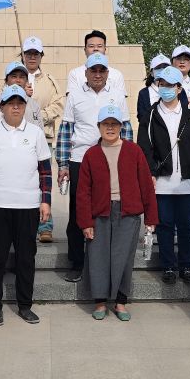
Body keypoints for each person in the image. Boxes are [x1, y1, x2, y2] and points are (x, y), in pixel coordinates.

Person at [0, 85, 52, 326]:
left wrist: (46, 201)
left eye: (20, 103)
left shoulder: (36, 133)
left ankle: (25, 305)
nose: (16, 107)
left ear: (25, 106)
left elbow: (45, 171)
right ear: (2, 107)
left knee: (26, 258)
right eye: (11, 103)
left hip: (28, 206)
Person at [77, 105, 158, 321]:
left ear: (121, 127)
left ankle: (121, 302)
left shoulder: (134, 151)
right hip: (100, 213)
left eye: (114, 124)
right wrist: (86, 222)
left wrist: (151, 218)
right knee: (98, 257)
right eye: (106, 124)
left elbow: (146, 186)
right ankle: (100, 302)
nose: (110, 128)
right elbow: (83, 192)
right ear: (99, 126)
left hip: (127, 212)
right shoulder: (91, 154)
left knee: (123, 258)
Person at [56, 53, 132, 283]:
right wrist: (63, 164)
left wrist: (127, 161)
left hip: (110, 158)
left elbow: (126, 129)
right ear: (86, 72)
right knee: (78, 211)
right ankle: (77, 262)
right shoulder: (75, 94)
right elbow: (66, 130)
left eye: (101, 70)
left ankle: (104, 262)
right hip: (80, 159)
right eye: (93, 70)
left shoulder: (117, 94)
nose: (97, 74)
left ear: (107, 73)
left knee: (106, 211)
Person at [137, 66, 190, 285]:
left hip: (187, 180)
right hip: (162, 180)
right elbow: (144, 147)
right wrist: (150, 172)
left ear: (179, 88)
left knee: (186, 225)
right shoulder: (150, 115)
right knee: (164, 225)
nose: (165, 88)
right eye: (161, 84)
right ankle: (168, 266)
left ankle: (186, 265)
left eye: (170, 85)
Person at [20, 36, 63, 243]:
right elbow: (3, 101)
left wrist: (37, 116)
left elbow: (58, 105)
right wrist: (21, 92)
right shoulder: (14, 76)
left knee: (43, 181)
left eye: (35, 53)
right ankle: (23, 224)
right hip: (18, 135)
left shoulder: (49, 80)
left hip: (43, 136)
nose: (32, 57)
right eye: (28, 53)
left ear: (41, 56)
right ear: (23, 55)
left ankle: (45, 225)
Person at [0, 61, 43, 129]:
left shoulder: (33, 104)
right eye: (14, 76)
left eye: (22, 77)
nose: (18, 80)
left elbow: (40, 131)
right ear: (6, 80)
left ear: (26, 81)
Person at [66, 30, 126, 97]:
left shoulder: (117, 75)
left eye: (99, 46)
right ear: (85, 50)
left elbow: (121, 100)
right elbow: (72, 99)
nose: (95, 49)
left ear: (105, 49)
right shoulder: (75, 74)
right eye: (91, 46)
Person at [136, 53, 170, 121]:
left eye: (165, 67)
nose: (162, 70)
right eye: (158, 68)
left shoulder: (176, 89)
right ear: (152, 72)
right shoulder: (143, 93)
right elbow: (141, 117)